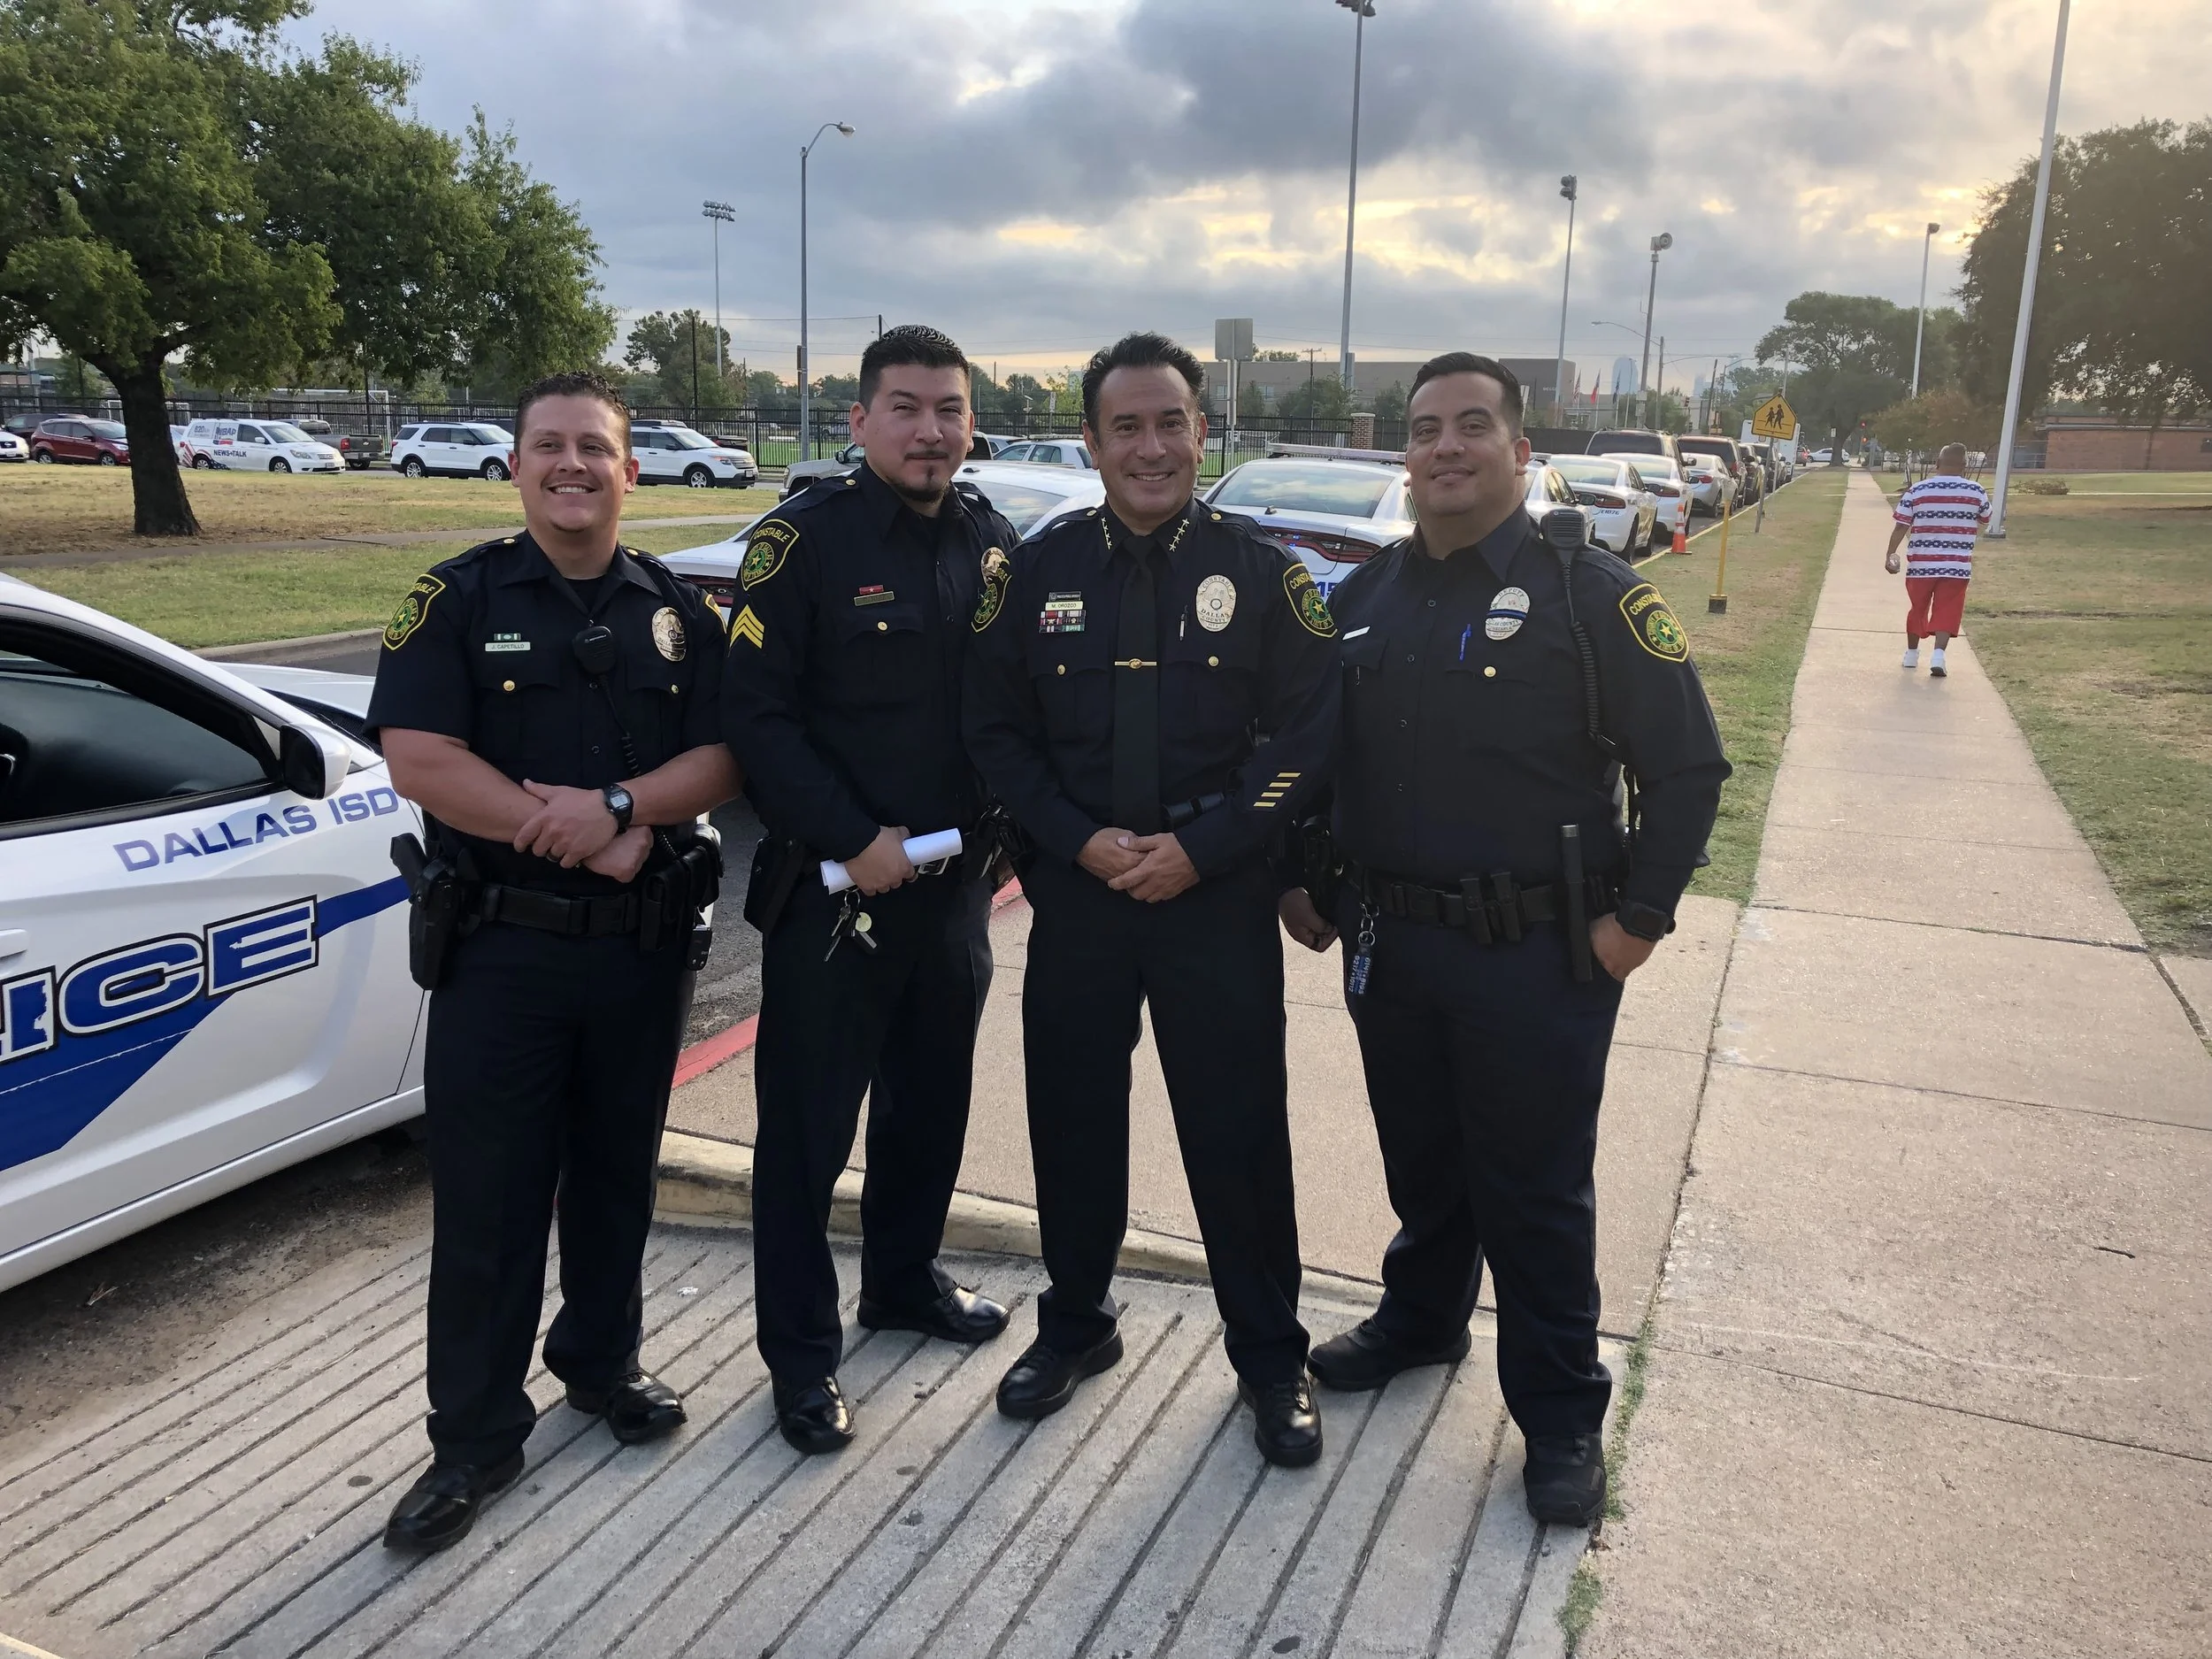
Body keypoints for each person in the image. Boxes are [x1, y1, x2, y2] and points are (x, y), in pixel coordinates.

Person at [1277, 353, 1728, 1525]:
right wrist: (1303, 875)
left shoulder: (1590, 594)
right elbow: (1312, 758)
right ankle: (1424, 1319)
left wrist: (1639, 921)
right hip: (1391, 943)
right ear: (1405, 453)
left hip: (1536, 953)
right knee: (1423, 1160)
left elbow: (1688, 767)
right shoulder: (1362, 596)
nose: (1447, 446)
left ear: (1521, 451)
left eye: (1473, 425)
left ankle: (1562, 1413)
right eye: (1426, 428)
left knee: (1532, 1190)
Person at [368, 371, 741, 1551]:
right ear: (517, 464)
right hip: (503, 952)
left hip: (638, 951)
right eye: (548, 446)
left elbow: (725, 754)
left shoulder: (677, 610)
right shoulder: (457, 598)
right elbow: (420, 758)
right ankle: (474, 1437)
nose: (571, 465)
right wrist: (572, 829)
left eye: (594, 447)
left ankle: (600, 1361)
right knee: (491, 1198)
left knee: (617, 1175)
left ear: (629, 469)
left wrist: (621, 807)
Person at [964, 332, 1340, 1467]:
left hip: (1213, 900)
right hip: (1081, 897)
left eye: (1169, 422)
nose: (1149, 446)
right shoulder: (1033, 572)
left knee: (1237, 1131)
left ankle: (1268, 1358)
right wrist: (1075, 842)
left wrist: (1207, 847)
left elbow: (1306, 738)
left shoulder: (1263, 574)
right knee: (1072, 1119)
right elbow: (995, 732)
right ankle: (1076, 1325)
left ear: (1201, 431)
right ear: (1090, 441)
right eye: (1124, 426)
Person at [722, 325, 1021, 1455]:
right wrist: (856, 833)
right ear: (859, 421)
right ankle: (801, 1359)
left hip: (956, 890)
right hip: (837, 891)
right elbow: (756, 718)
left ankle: (902, 1283)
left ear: (970, 424)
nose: (929, 430)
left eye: (949, 410)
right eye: (905, 408)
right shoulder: (800, 543)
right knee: (807, 1133)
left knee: (928, 1106)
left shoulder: (990, 542)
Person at [1886, 443, 1992, 677]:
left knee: (1918, 608)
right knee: (1948, 609)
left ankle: (1911, 655)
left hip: (1921, 565)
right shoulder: (1976, 491)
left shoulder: (1917, 490)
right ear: (1964, 466)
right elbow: (1986, 518)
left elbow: (1901, 525)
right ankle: (1938, 656)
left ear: (1937, 464)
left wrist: (1890, 554)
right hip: (1956, 565)